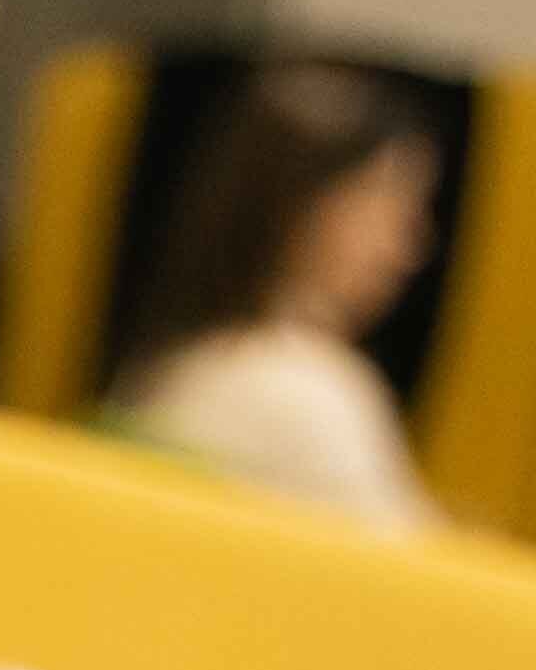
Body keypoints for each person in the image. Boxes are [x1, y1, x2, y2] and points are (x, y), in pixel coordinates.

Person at [109, 59, 445, 533]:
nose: (407, 248)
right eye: (391, 205)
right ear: (306, 205)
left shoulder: (161, 368)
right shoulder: (310, 392)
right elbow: (421, 588)